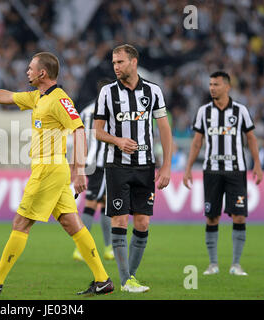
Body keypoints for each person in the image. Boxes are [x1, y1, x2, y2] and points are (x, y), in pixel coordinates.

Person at [0, 52, 114, 295]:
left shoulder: (60, 100)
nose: (26, 71)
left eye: (30, 68)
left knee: (21, 222)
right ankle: (103, 280)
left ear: (43, 73)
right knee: (73, 224)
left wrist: (80, 169)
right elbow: (6, 97)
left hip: (49, 169)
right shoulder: (38, 97)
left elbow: (79, 130)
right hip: (51, 170)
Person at [94, 44, 173, 292]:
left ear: (134, 62)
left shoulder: (153, 91)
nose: (116, 67)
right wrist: (117, 141)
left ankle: (131, 277)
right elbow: (96, 131)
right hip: (117, 165)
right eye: (114, 63)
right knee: (119, 219)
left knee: (142, 223)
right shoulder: (107, 93)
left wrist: (167, 166)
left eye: (120, 62)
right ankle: (126, 280)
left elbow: (164, 130)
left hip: (145, 166)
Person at [183, 71, 263, 276]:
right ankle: (213, 264)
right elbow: (197, 142)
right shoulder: (203, 112)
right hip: (212, 171)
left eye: (216, 84)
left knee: (239, 216)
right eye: (210, 84)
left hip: (236, 170)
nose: (212, 88)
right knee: (212, 217)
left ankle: (236, 264)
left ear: (227, 87)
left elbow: (251, 139)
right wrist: (188, 168)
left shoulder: (240, 111)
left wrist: (257, 165)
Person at [72, 79, 113, 262]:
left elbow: (78, 139)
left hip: (88, 163)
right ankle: (81, 248)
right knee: (91, 203)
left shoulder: (86, 111)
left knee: (105, 203)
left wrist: (76, 164)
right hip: (102, 163)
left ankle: (108, 248)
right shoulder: (110, 112)